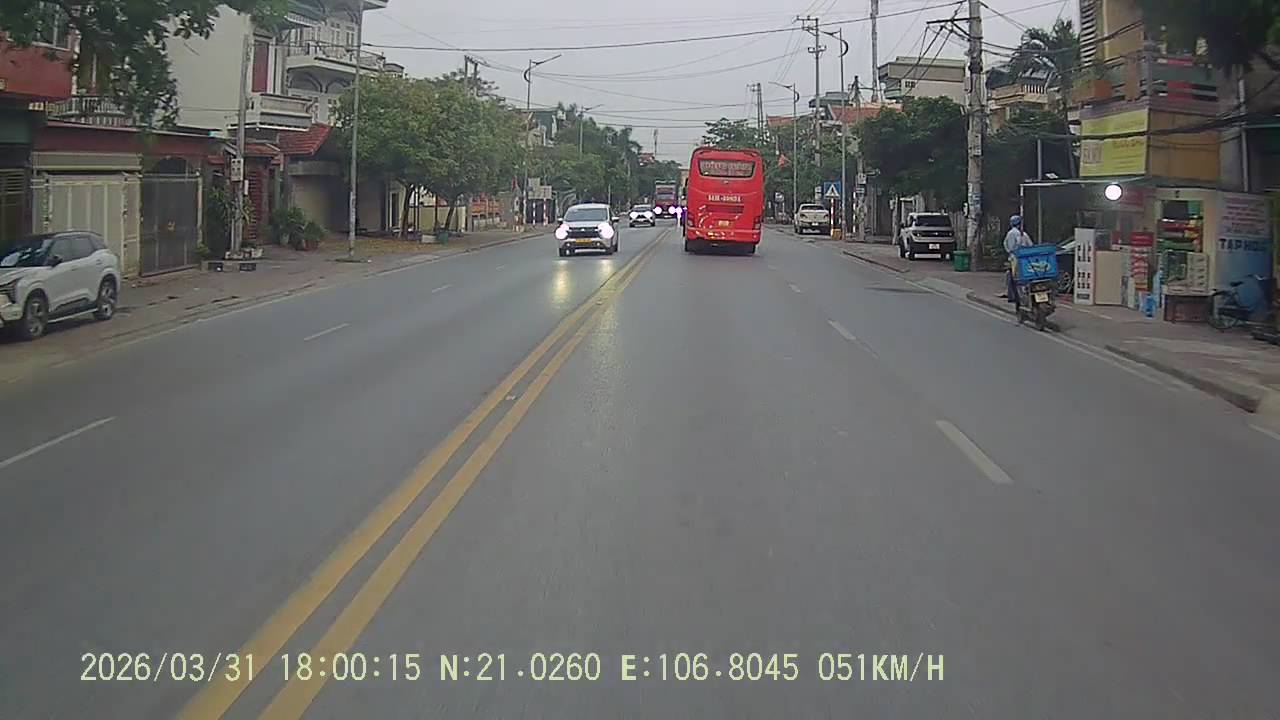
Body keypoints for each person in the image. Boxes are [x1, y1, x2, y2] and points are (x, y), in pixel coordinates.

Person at [1004, 215, 1033, 305]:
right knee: (1020, 278)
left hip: (1015, 259)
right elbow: (1030, 246)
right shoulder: (1021, 234)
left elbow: (1008, 247)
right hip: (1021, 259)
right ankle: (1018, 296)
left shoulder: (1012, 233)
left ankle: (1014, 296)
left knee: (1015, 278)